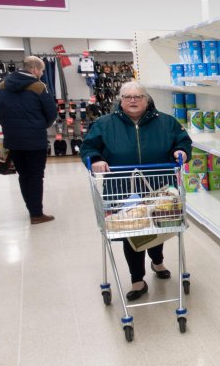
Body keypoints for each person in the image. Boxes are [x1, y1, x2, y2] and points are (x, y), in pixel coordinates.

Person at [81, 82, 191, 301]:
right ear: (120, 100)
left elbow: (183, 141)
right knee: (131, 231)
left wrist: (181, 151)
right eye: (127, 96)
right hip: (122, 188)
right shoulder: (104, 124)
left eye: (138, 96)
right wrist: (96, 160)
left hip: (159, 186)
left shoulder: (166, 122)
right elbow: (88, 148)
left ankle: (157, 261)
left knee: (158, 225)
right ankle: (137, 279)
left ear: (147, 99)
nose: (133, 100)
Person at [0, 55, 57, 224]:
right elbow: (51, 113)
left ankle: (32, 209)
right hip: (35, 141)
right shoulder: (39, 86)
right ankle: (36, 214)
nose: (42, 74)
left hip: (13, 140)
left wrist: (10, 127)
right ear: (35, 70)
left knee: (23, 175)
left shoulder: (2, 86)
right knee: (36, 176)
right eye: (42, 70)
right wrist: (40, 126)